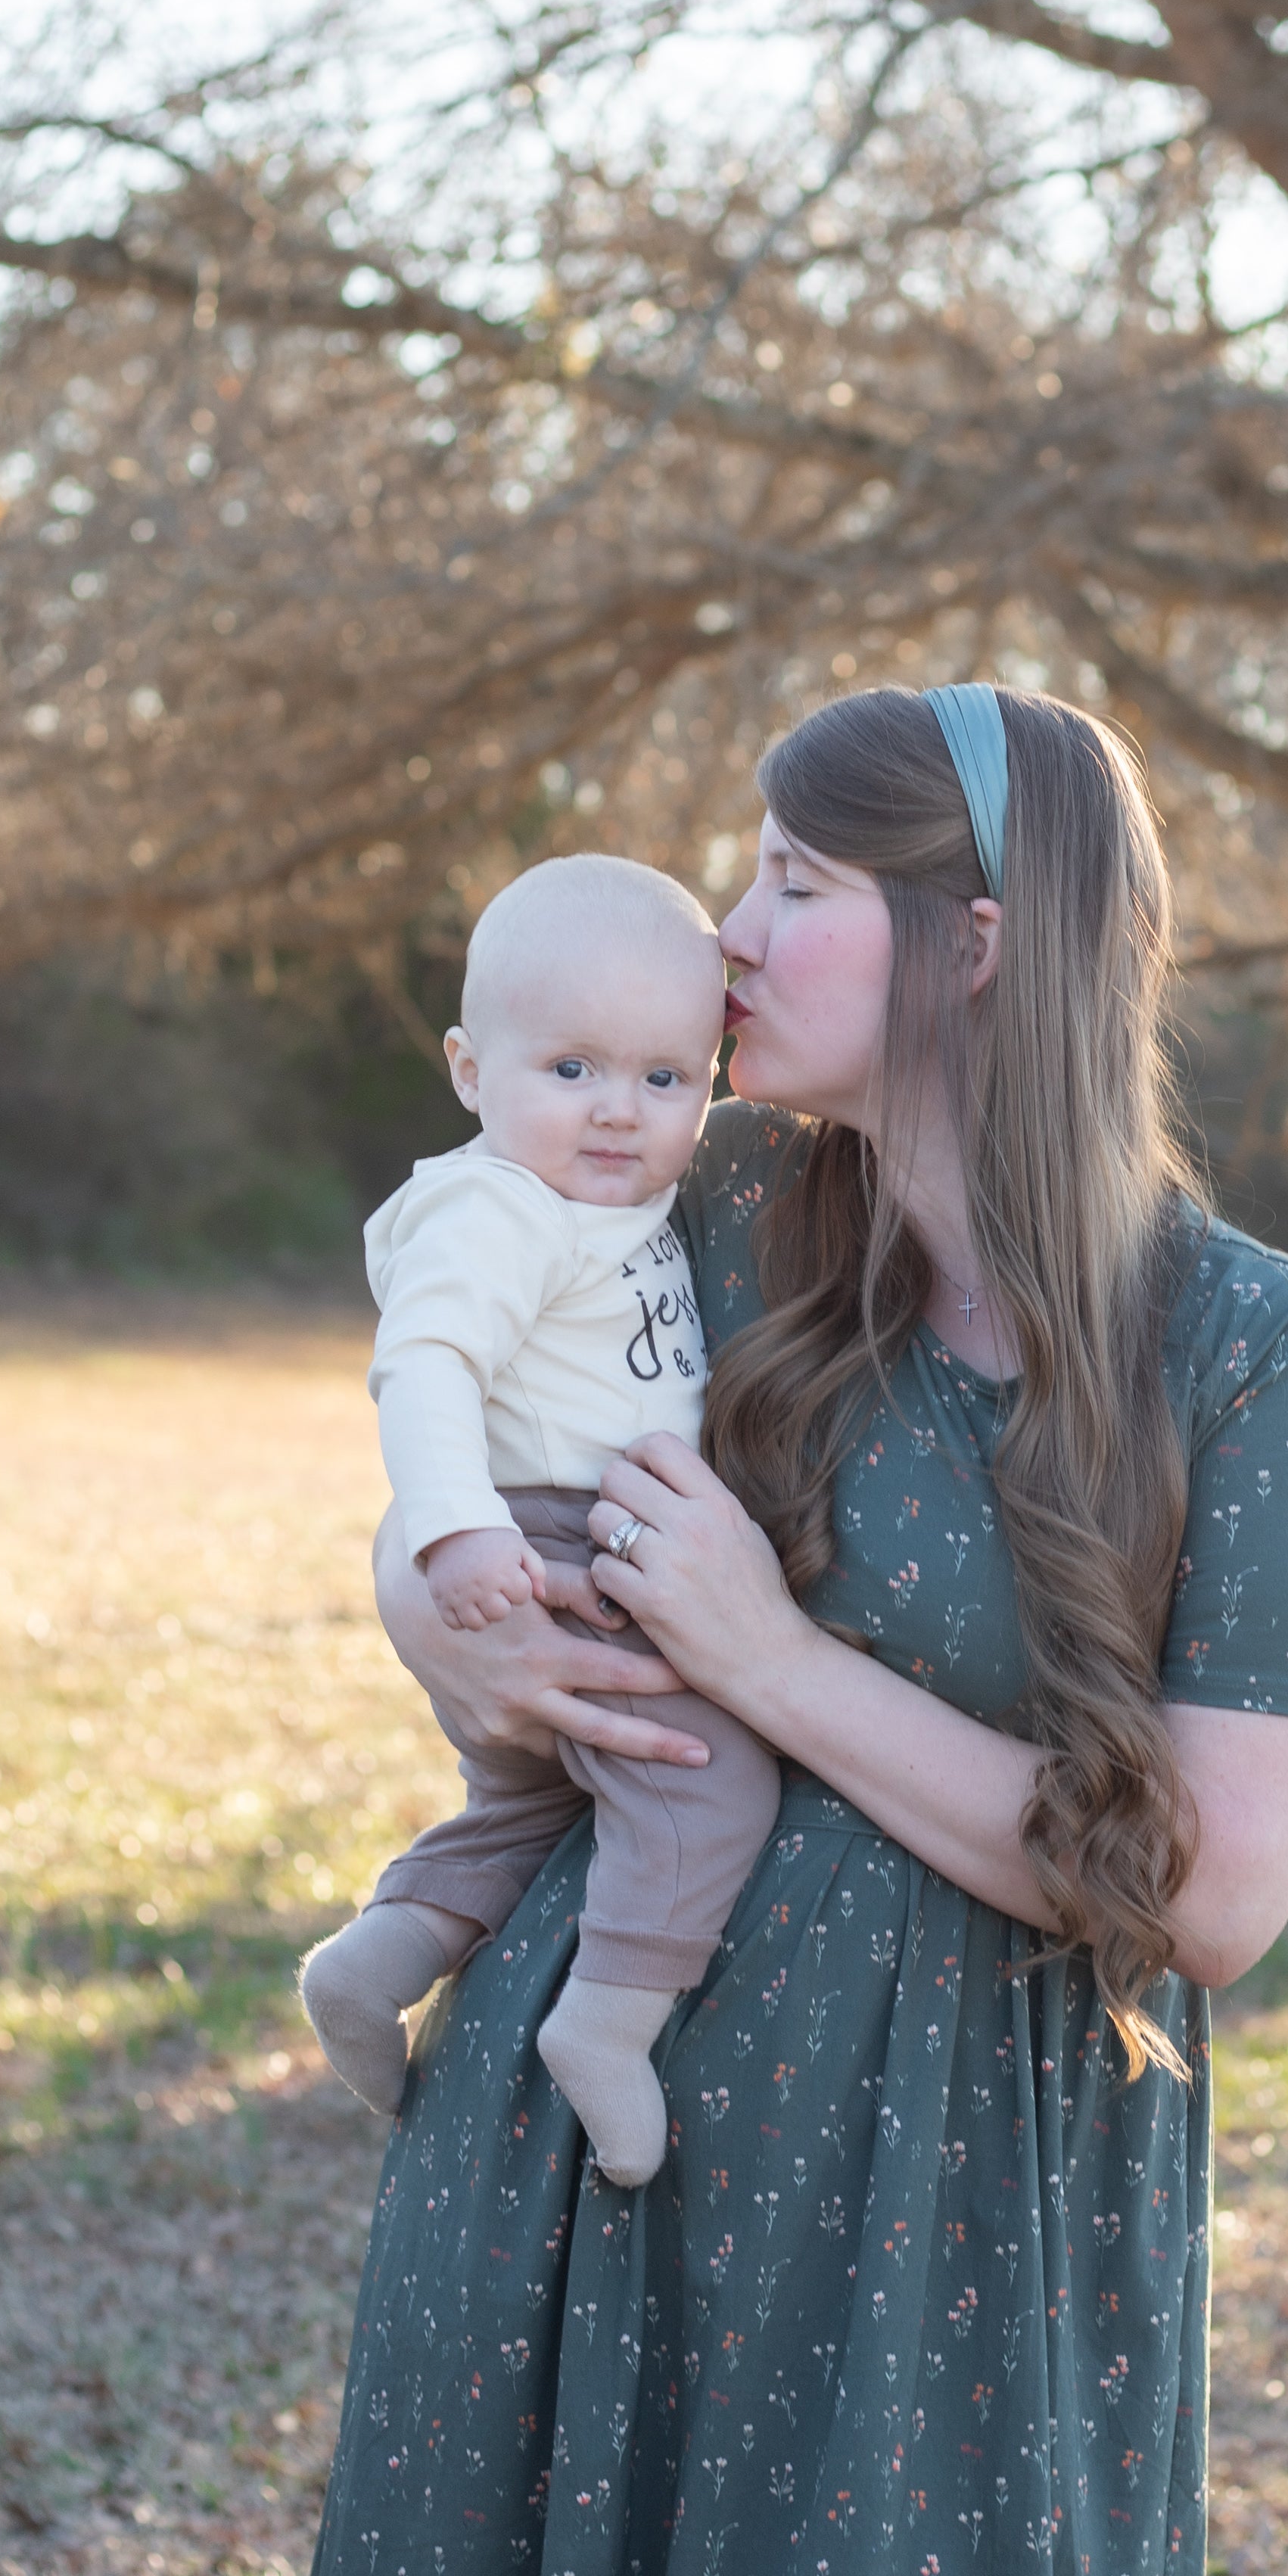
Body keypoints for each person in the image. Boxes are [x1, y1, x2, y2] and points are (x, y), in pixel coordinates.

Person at [214, 683, 1288, 2576]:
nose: (725, 937)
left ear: (978, 943)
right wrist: (456, 1613)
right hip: (611, 2206)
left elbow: (1208, 1894)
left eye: (795, 884)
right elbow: (455, 1486)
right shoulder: (707, 1214)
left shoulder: (1243, 1345)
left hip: (953, 2274)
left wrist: (776, 1665)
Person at [298, 851, 780, 2186]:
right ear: (468, 1071)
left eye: (663, 1078)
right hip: (553, 1548)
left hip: (570, 1542)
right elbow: (427, 1360)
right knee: (707, 1785)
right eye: (570, 1070)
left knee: (521, 1816)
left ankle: (373, 1960)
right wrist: (453, 1532)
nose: (617, 1112)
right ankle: (608, 2030)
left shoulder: (624, 1202)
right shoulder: (501, 1208)